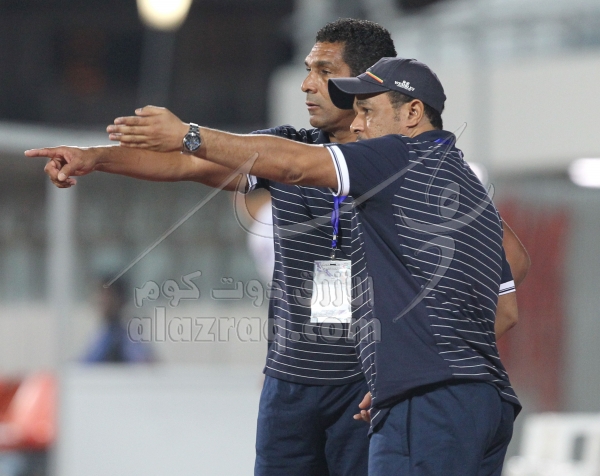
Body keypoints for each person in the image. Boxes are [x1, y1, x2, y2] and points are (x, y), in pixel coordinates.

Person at [25, 27, 528, 476]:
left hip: (365, 384)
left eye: (325, 72)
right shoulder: (285, 147)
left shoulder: (402, 165)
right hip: (292, 382)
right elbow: (186, 164)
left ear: (368, 84)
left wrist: (424, 360)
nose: (308, 84)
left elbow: (511, 261)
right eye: (307, 70)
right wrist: (95, 158)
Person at [83, 278, 154, 363]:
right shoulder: (102, 334)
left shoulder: (130, 335)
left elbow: (142, 361)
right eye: (100, 295)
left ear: (119, 299)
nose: (101, 301)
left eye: (107, 296)